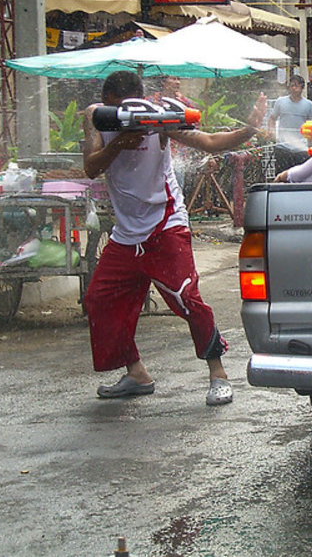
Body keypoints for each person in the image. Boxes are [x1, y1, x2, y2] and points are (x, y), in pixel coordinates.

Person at [82, 70, 267, 405]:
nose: (125, 119)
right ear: (109, 104)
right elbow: (92, 167)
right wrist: (121, 142)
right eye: (117, 111)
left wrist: (249, 129)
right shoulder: (98, 118)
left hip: (165, 223)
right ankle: (136, 371)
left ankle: (218, 373)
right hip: (126, 234)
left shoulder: (158, 120)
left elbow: (208, 141)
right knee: (100, 300)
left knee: (187, 298)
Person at [269, 73, 312, 169]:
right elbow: (272, 119)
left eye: (296, 85)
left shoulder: (308, 104)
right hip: (282, 147)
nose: (294, 88)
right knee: (281, 176)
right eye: (292, 85)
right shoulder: (280, 102)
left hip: (301, 148)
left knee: (299, 177)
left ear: (302, 88)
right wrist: (272, 132)